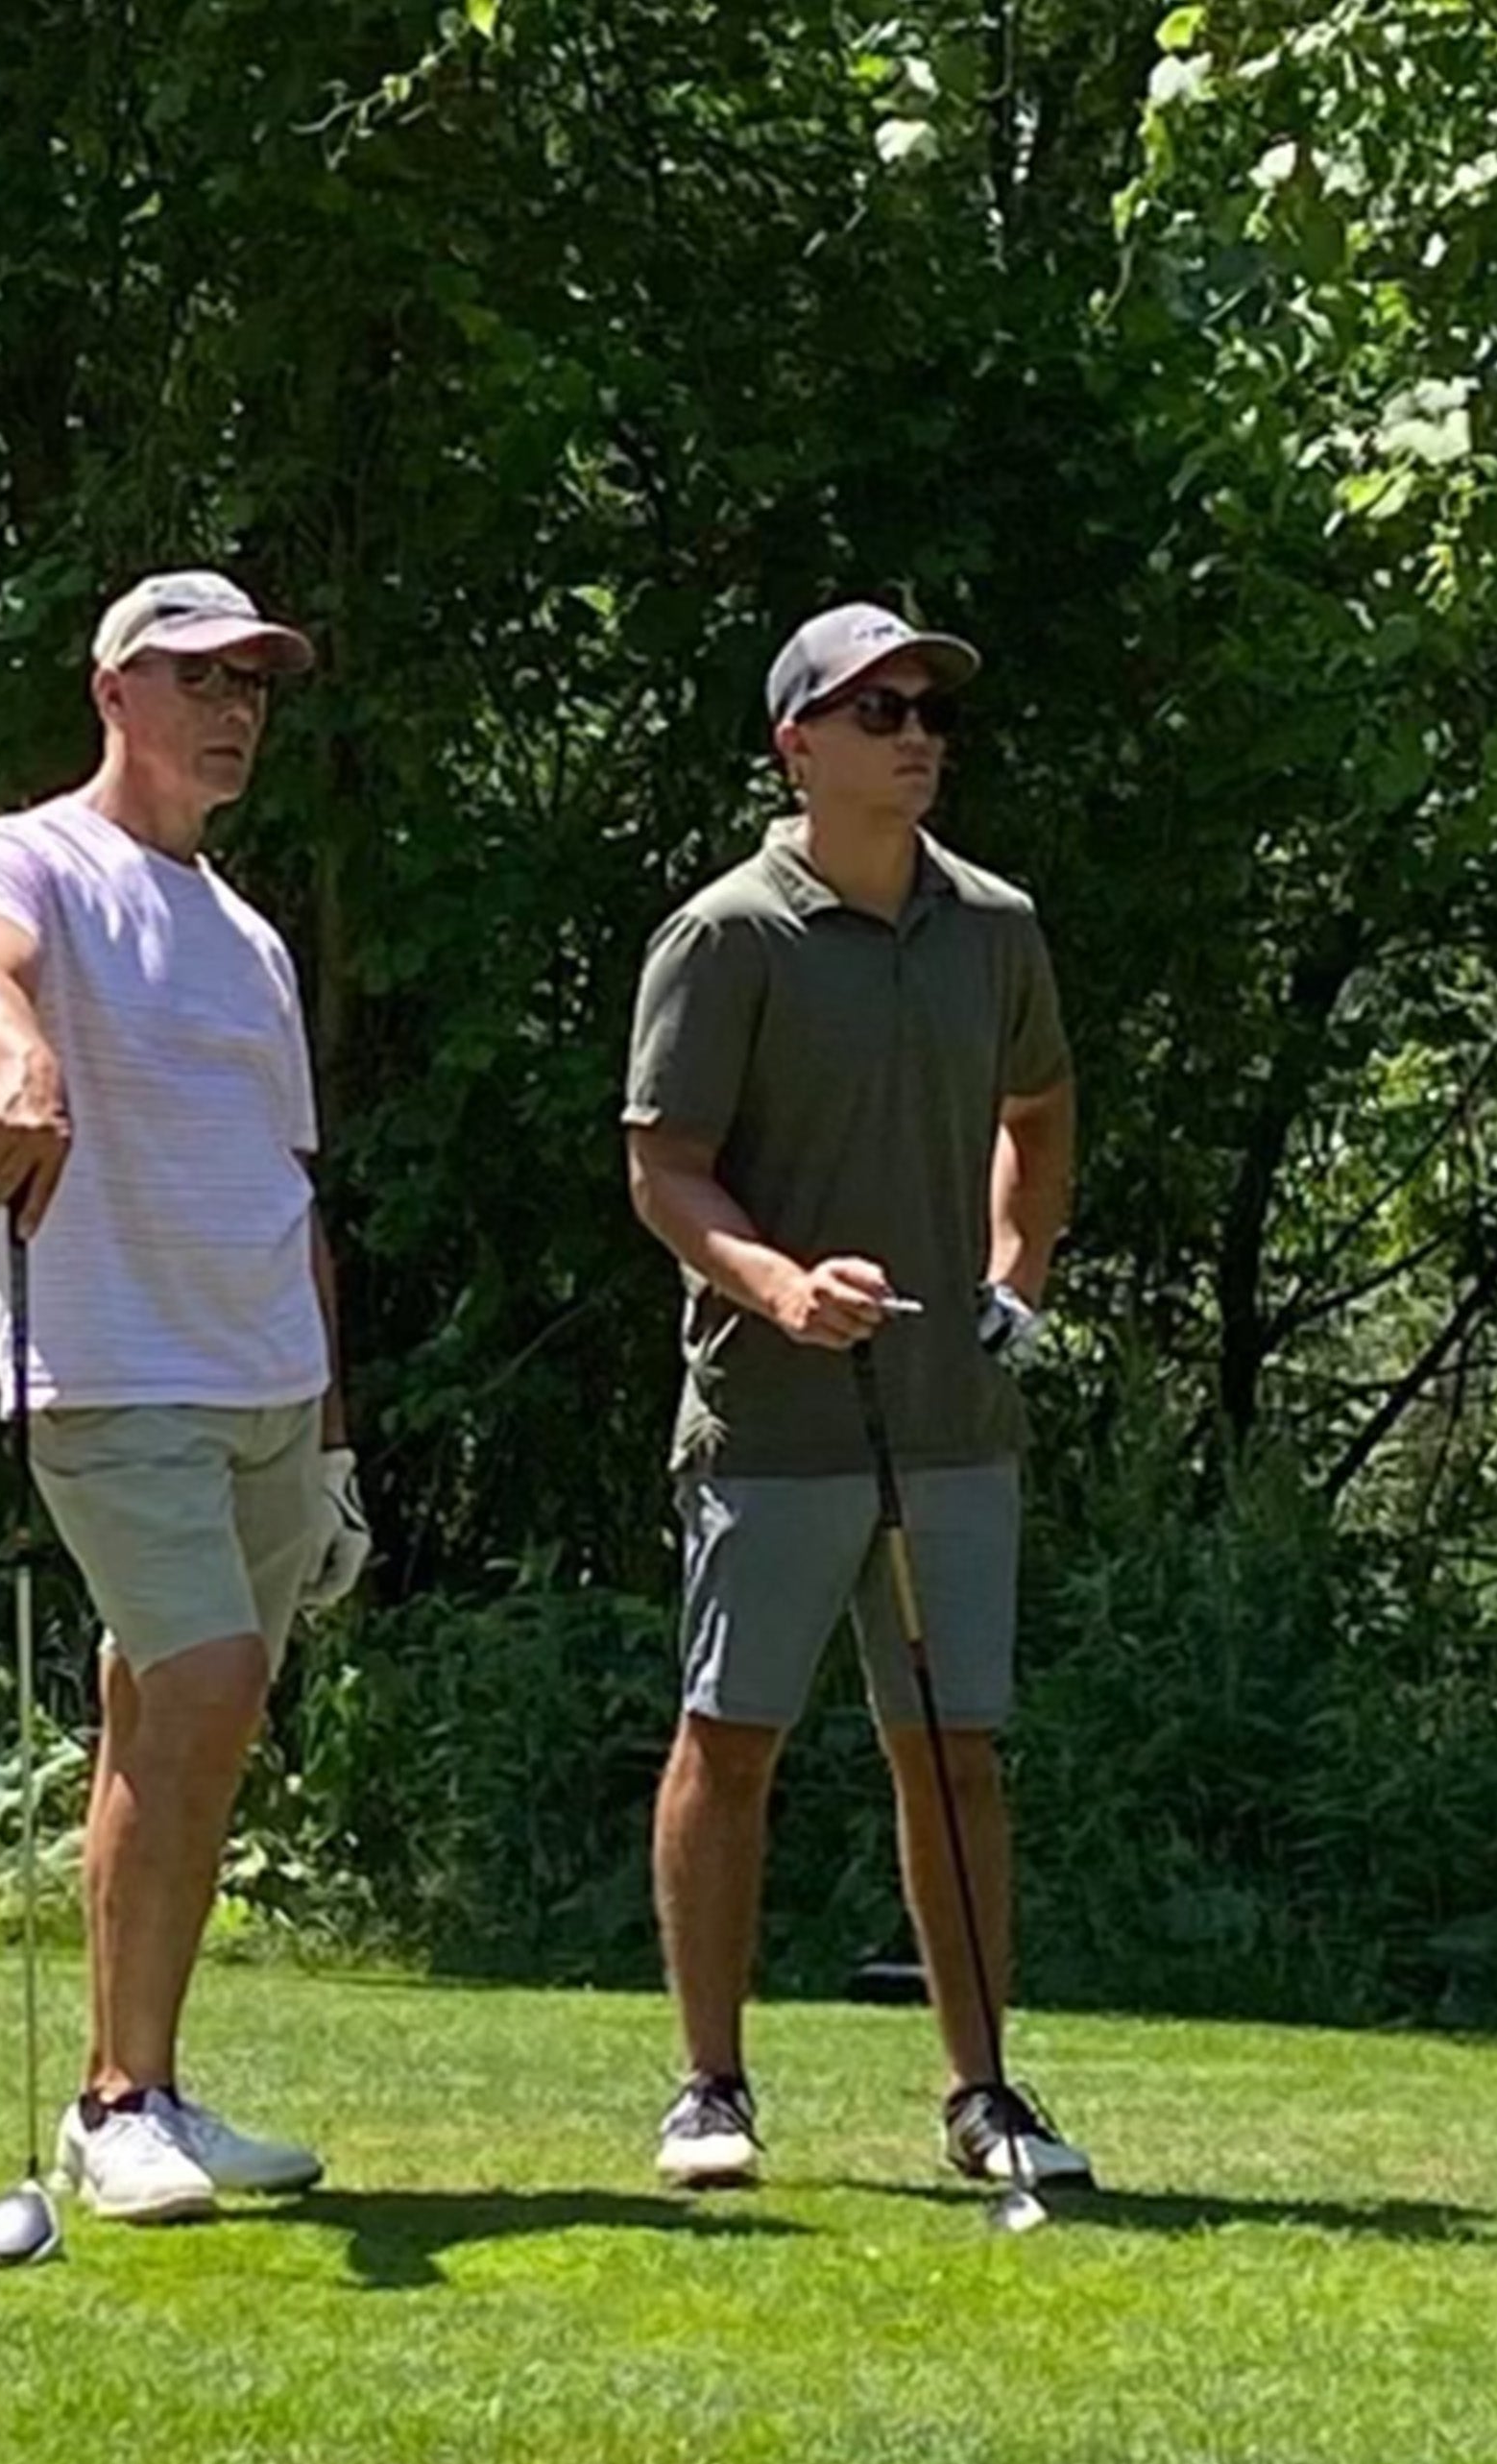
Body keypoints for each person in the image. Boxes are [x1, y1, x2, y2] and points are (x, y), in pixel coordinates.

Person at [0, 568, 371, 2224]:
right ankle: (116, 2104)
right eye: (199, 679)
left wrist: (329, 1440)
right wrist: (19, 1063)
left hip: (264, 1384)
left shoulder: (246, 938)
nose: (235, 709)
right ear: (115, 692)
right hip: (109, 1369)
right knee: (204, 1688)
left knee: (176, 1726)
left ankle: (147, 2081)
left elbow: (288, 1191)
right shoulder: (26, 856)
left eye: (253, 683)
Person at [620, 600, 1093, 2193]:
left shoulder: (996, 927)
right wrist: (778, 1287)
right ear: (798, 744)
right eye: (878, 712)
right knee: (730, 1739)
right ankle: (710, 2087)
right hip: (774, 1415)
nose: (915, 736)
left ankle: (985, 2095)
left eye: (927, 712)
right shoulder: (726, 935)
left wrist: (1016, 1279)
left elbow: (1039, 1106)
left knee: (954, 1751)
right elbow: (664, 1171)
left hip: (955, 1417)